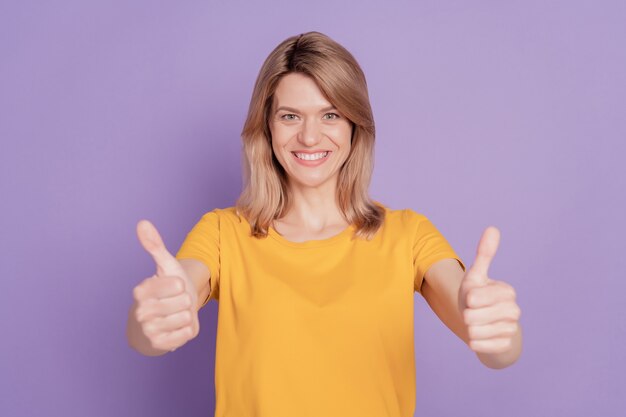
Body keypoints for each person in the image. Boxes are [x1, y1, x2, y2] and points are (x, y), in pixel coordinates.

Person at [126, 31, 523, 416]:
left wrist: (497, 332)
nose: (310, 136)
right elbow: (158, 322)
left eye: (330, 114)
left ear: (355, 127)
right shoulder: (222, 233)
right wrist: (152, 324)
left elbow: (487, 336)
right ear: (267, 127)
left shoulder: (408, 235)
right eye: (290, 116)